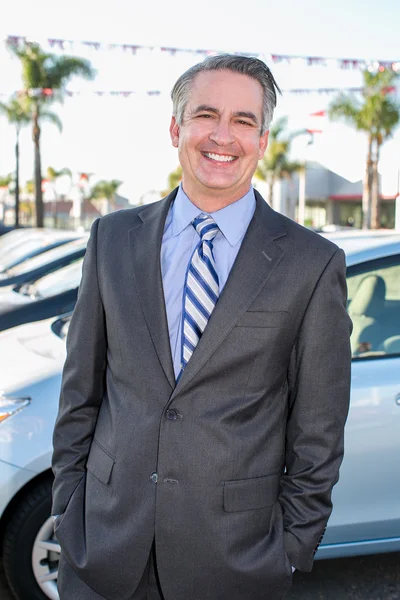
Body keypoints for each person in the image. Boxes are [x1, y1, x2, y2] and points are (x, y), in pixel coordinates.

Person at [52, 54, 352, 600]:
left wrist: (288, 550)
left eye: (243, 120)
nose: (223, 135)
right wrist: (70, 507)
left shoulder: (312, 264)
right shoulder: (112, 240)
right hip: (102, 551)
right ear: (175, 129)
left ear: (262, 140)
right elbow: (81, 393)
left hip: (236, 563)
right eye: (205, 114)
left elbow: (320, 429)